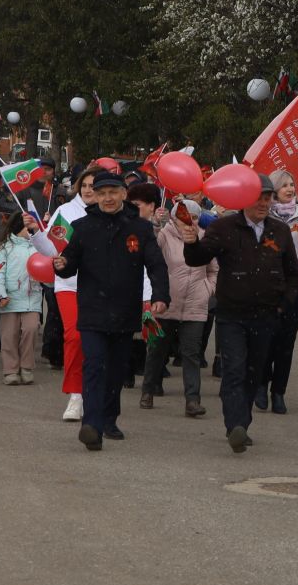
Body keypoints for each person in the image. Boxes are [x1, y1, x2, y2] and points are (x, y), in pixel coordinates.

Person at [49, 169, 170, 450]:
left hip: (125, 310)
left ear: (124, 194)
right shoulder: (83, 226)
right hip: (91, 309)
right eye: (102, 194)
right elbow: (70, 261)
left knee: (116, 369)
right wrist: (63, 265)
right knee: (93, 365)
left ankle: (109, 418)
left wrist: (161, 296)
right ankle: (91, 424)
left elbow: (156, 264)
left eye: (113, 193)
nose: (107, 198)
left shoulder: (139, 228)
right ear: (95, 196)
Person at [183, 173, 298, 453]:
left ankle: (242, 425)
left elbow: (293, 275)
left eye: (267, 196)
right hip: (231, 314)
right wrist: (191, 242)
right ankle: (234, 425)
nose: (263, 202)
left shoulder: (280, 230)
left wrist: (283, 304)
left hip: (266, 315)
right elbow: (198, 258)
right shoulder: (224, 227)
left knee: (254, 373)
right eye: (257, 196)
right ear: (243, 197)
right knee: (234, 370)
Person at [142, 193, 215, 416]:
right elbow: (151, 252)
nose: (189, 221)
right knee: (157, 350)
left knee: (191, 354)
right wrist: (155, 224)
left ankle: (192, 400)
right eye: (184, 216)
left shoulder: (205, 239)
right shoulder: (165, 235)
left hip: (195, 305)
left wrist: (208, 289)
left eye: (194, 217)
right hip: (166, 304)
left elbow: (214, 270)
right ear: (174, 218)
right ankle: (148, 390)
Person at [50, 166, 105, 422]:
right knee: (74, 337)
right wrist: (36, 232)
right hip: (69, 285)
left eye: (94, 186)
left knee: (101, 342)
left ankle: (97, 392)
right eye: (84, 185)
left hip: (102, 287)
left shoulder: (115, 215)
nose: (88, 190)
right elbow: (50, 246)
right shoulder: (65, 212)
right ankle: (75, 394)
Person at [263, 169, 298, 416]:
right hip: (269, 287)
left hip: (297, 287)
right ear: (274, 189)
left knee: (286, 343)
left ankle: (279, 391)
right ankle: (261, 384)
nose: (290, 189)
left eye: (292, 184)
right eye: (284, 185)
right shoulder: (264, 214)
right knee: (267, 339)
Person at [0, 211, 43, 386]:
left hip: (32, 297)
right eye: (28, 227)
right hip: (9, 299)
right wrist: (0, 295)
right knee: (9, 335)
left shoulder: (40, 247)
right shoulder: (5, 247)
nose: (31, 230)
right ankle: (11, 369)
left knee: (31, 330)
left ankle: (27, 367)